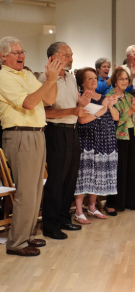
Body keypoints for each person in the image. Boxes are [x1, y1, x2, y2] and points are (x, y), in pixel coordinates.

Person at [0, 36, 63, 256]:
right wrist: (48, 81)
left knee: (36, 190)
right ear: (3, 56)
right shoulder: (3, 77)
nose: (21, 55)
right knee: (26, 192)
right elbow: (28, 103)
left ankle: (28, 236)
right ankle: (16, 242)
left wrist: (52, 80)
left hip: (37, 134)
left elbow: (49, 100)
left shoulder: (26, 74)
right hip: (20, 136)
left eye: (22, 51)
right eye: (16, 52)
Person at [40, 42, 92, 240]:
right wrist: (73, 110)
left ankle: (63, 218)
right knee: (56, 180)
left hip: (72, 130)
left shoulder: (69, 77)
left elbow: (73, 106)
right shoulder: (45, 78)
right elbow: (45, 111)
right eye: (67, 55)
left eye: (71, 55)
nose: (71, 59)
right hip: (55, 131)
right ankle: (50, 226)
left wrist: (81, 104)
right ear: (54, 57)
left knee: (70, 179)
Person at [73, 68, 119, 223]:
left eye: (94, 78)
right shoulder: (79, 97)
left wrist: (110, 105)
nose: (93, 81)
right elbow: (83, 120)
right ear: (82, 82)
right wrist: (104, 107)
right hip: (87, 141)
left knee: (98, 175)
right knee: (84, 176)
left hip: (104, 141)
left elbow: (115, 118)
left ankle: (92, 206)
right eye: (89, 78)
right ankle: (79, 210)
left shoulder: (104, 97)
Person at [106, 68, 135, 212]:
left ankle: (131, 201)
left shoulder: (130, 97)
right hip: (117, 136)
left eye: (126, 79)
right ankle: (114, 204)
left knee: (131, 169)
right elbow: (115, 121)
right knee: (118, 170)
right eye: (121, 79)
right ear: (115, 80)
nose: (124, 81)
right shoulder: (110, 97)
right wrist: (131, 111)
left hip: (131, 133)